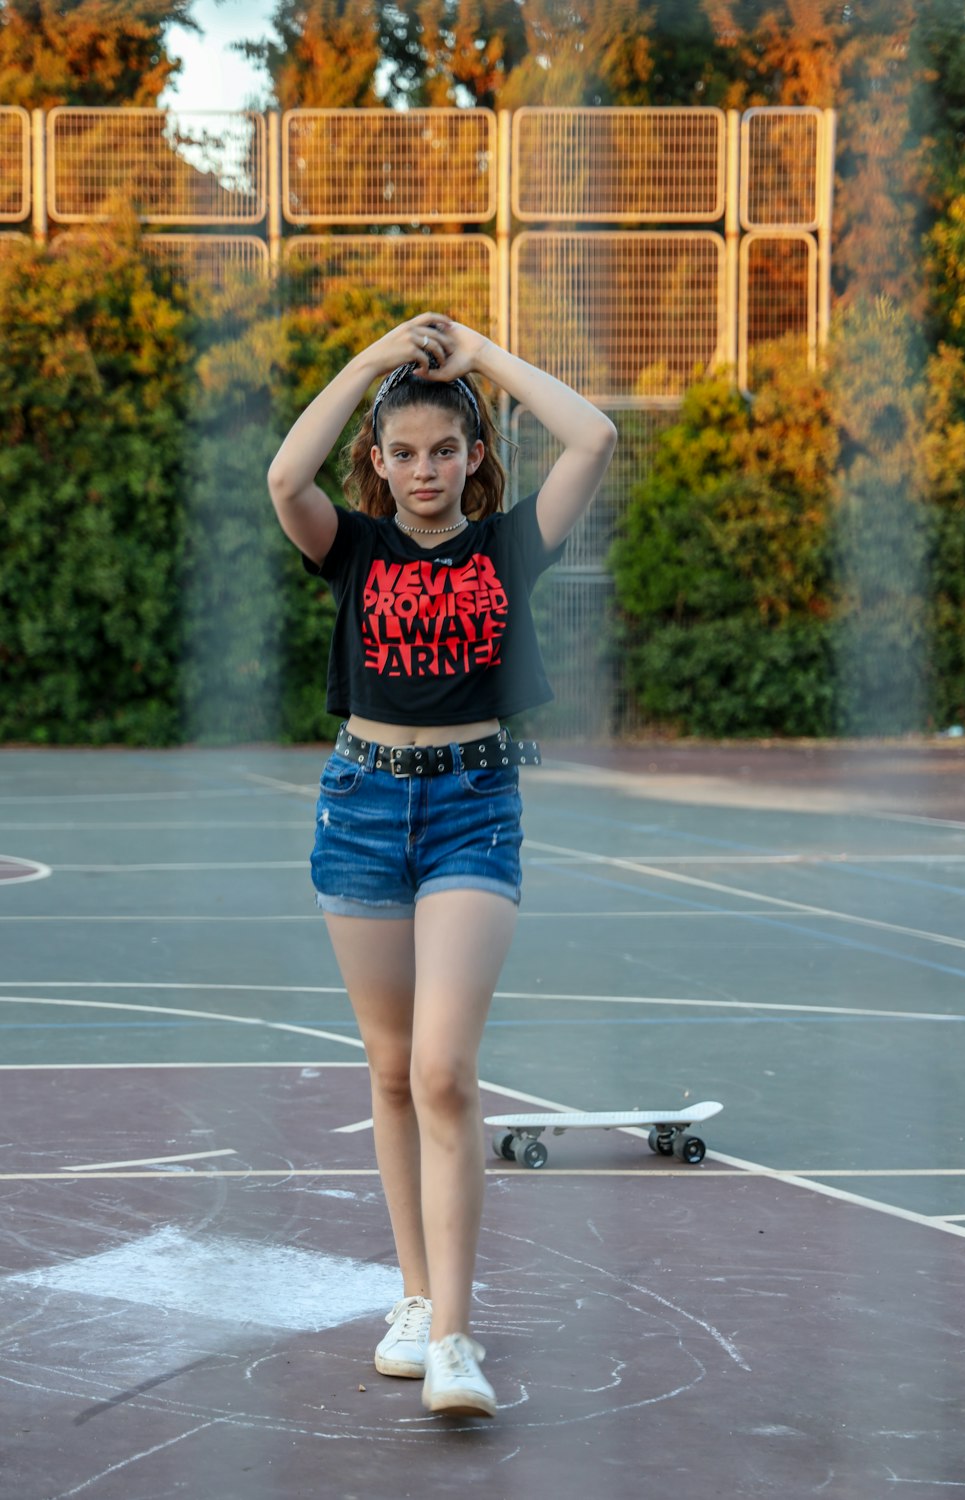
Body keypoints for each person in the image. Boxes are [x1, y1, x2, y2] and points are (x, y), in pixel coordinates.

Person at [267, 314, 616, 1418]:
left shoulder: (508, 545)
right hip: (361, 807)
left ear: (474, 458)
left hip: (473, 809)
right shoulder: (354, 550)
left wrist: (477, 357)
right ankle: (413, 1300)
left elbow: (595, 436)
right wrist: (371, 363)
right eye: (402, 453)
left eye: (444, 451)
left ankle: (456, 1338)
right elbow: (284, 476)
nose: (423, 471)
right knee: (387, 1069)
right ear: (377, 461)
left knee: (443, 1075)